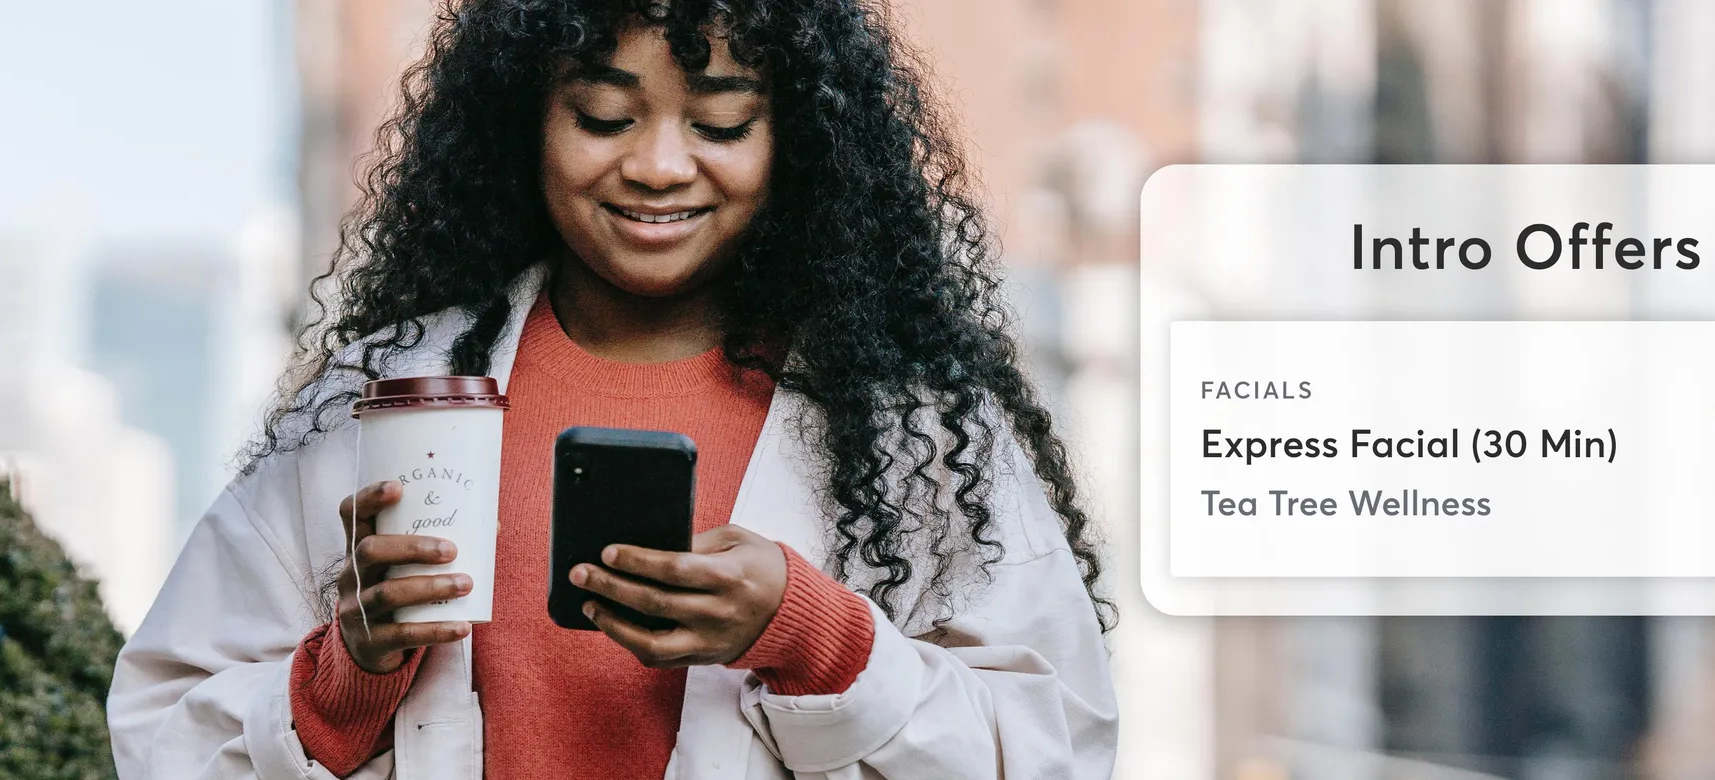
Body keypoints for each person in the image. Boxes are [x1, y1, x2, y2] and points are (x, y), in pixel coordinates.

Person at [104, 1, 1117, 778]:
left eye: (721, 126)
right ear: (525, 122)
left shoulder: (915, 432)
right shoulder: (381, 392)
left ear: (794, 146)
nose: (659, 166)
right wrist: (343, 679)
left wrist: (820, 640)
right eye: (602, 115)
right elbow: (158, 732)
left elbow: (1055, 750)